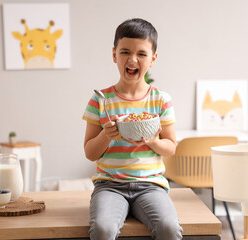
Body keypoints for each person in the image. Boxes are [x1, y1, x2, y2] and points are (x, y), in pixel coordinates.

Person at [82, 18, 183, 240]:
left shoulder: (161, 99)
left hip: (150, 185)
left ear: (153, 59)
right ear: (114, 54)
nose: (133, 59)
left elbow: (171, 147)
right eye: (125, 52)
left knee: (169, 227)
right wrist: (105, 136)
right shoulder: (100, 100)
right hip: (109, 185)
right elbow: (90, 153)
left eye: (142, 54)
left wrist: (154, 142)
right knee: (103, 229)